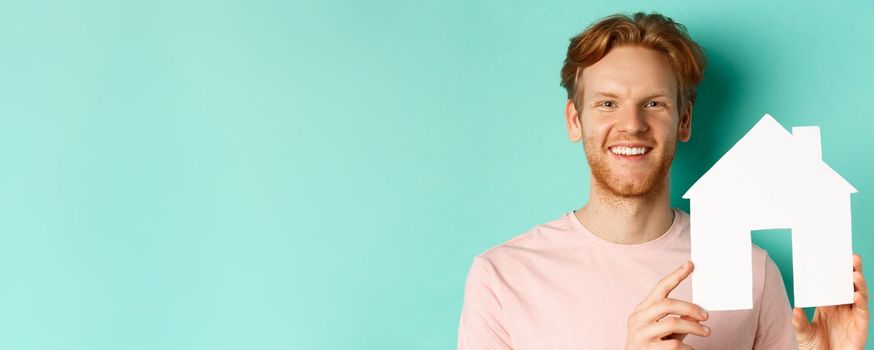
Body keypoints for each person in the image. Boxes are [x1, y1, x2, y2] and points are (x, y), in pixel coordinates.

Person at [456, 12, 869, 349]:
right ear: (575, 120)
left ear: (684, 120)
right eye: (607, 104)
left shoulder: (754, 270)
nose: (631, 125)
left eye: (653, 103)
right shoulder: (502, 276)